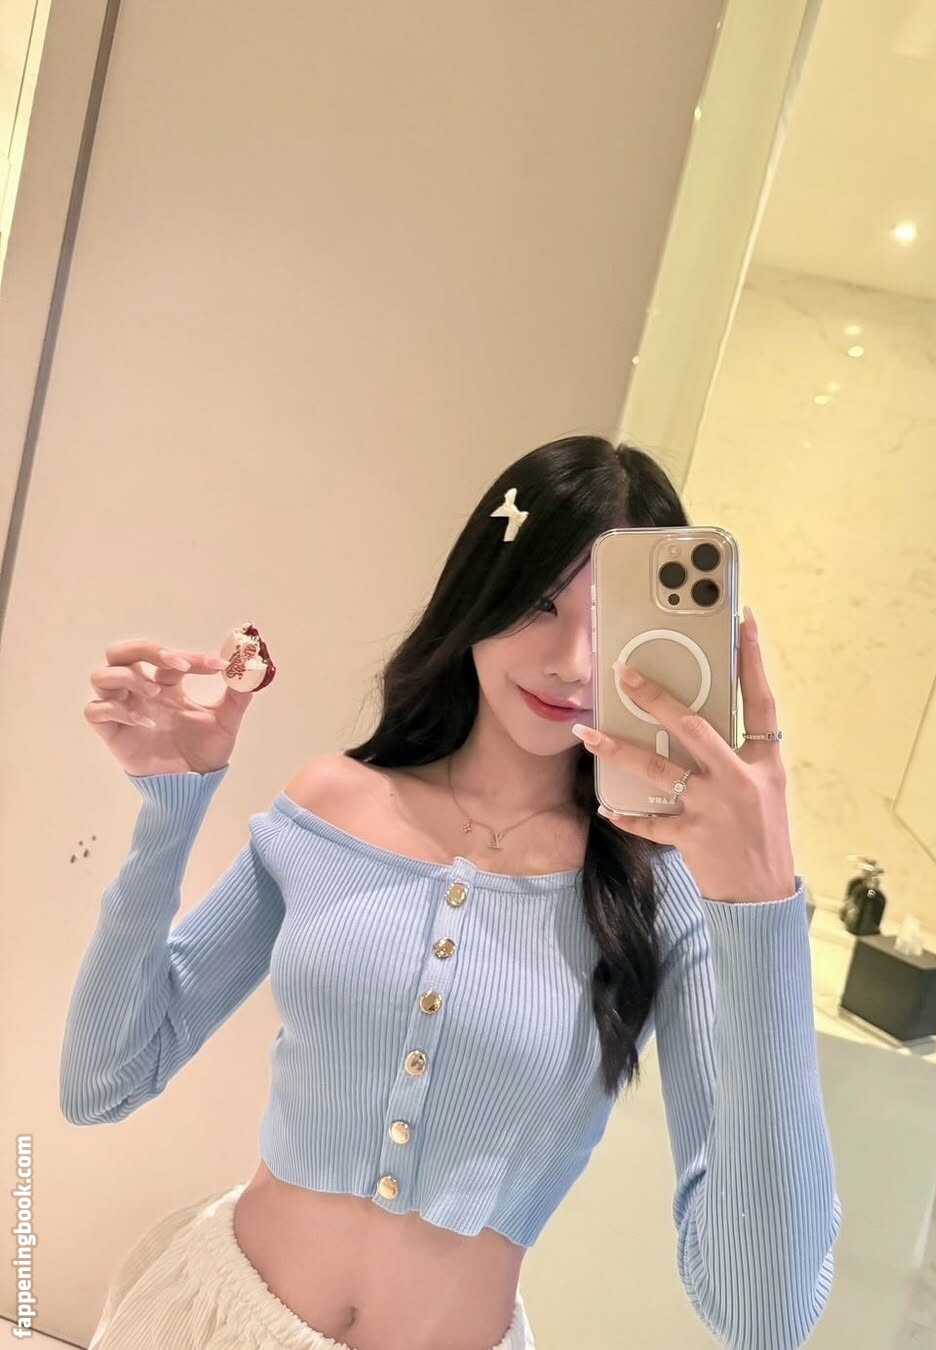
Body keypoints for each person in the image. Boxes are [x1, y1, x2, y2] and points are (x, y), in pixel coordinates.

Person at [62, 434, 841, 1349]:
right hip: (208, 1321)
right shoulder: (333, 805)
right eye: (538, 603)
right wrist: (170, 810)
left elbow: (765, 1312)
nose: (571, 661)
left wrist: (759, 905)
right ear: (479, 593)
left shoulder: (667, 892)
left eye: (612, 625)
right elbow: (102, 1081)